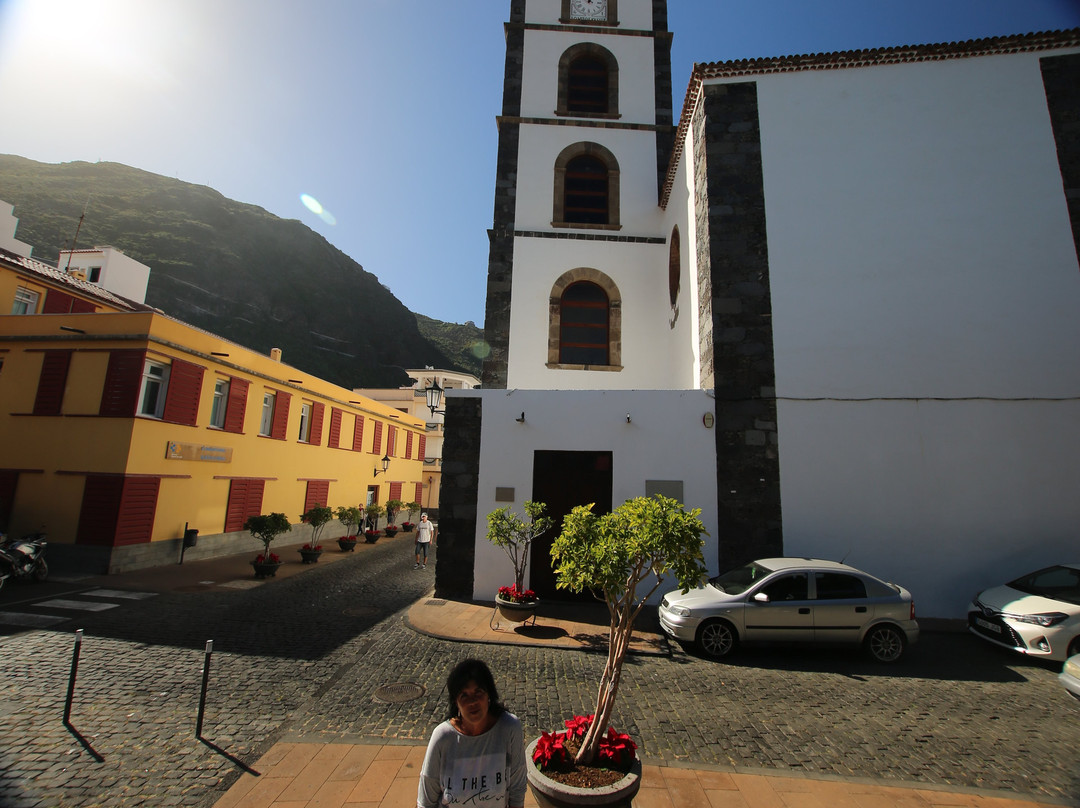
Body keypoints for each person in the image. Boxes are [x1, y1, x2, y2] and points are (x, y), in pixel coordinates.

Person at [417, 658, 526, 808]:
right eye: (464, 695)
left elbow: (517, 788)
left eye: (478, 692)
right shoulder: (442, 738)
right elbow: (425, 801)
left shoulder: (509, 729)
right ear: (456, 702)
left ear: (489, 695)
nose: (472, 702)